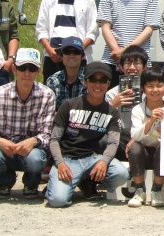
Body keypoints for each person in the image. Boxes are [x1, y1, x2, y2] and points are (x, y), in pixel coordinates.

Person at [44, 61, 130, 208]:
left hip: (93, 158)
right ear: (85, 82)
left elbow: (113, 142)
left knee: (121, 174)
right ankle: (56, 185)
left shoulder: (112, 112)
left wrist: (103, 161)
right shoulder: (69, 105)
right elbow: (54, 139)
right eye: (93, 80)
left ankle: (87, 182)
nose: (98, 85)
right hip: (68, 159)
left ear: (108, 84)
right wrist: (60, 163)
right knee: (58, 201)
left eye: (102, 80)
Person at [0, 48, 55, 199]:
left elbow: (47, 134)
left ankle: (31, 184)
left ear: (39, 71)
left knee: (35, 159)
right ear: (14, 69)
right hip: (3, 150)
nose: (27, 73)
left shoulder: (47, 95)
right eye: (22, 68)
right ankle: (5, 182)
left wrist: (33, 141)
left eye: (32, 68)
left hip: (31, 150)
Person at [36, 0, 99, 80]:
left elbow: (92, 31)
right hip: (52, 57)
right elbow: (41, 29)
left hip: (77, 57)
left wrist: (77, 52)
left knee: (78, 95)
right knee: (53, 94)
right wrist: (50, 50)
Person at [98, 0, 160, 77]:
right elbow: (105, 27)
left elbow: (148, 30)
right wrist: (117, 53)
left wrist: (125, 52)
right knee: (113, 95)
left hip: (140, 61)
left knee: (140, 96)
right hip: (112, 59)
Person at [127, 66, 164, 207]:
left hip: (161, 156)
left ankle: (156, 190)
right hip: (143, 154)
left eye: (159, 86)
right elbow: (135, 135)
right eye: (150, 86)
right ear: (143, 88)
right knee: (134, 146)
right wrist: (151, 121)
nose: (155, 90)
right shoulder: (137, 109)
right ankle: (139, 190)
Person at [104, 45, 149, 161]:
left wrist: (137, 138)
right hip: (118, 138)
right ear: (121, 67)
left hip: (143, 138)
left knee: (136, 147)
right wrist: (113, 105)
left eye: (137, 63)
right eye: (128, 63)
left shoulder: (152, 92)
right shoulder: (112, 94)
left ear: (145, 66)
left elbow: (158, 122)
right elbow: (100, 121)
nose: (132, 67)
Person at [45, 36, 88, 109]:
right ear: (61, 56)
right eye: (67, 52)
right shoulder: (52, 80)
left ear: (82, 56)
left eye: (76, 52)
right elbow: (49, 111)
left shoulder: (89, 79)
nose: (71, 55)